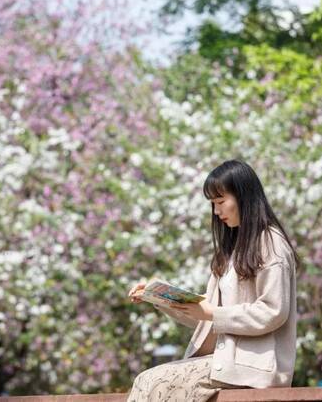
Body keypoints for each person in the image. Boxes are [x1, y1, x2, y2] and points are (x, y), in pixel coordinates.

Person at [126, 159, 301, 402]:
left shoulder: (271, 243)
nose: (217, 212)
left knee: (152, 382)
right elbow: (205, 315)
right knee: (148, 381)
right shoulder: (232, 250)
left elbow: (273, 311)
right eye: (213, 204)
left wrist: (213, 313)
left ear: (244, 197)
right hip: (226, 364)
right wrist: (159, 297)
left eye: (221, 202)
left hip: (253, 369)